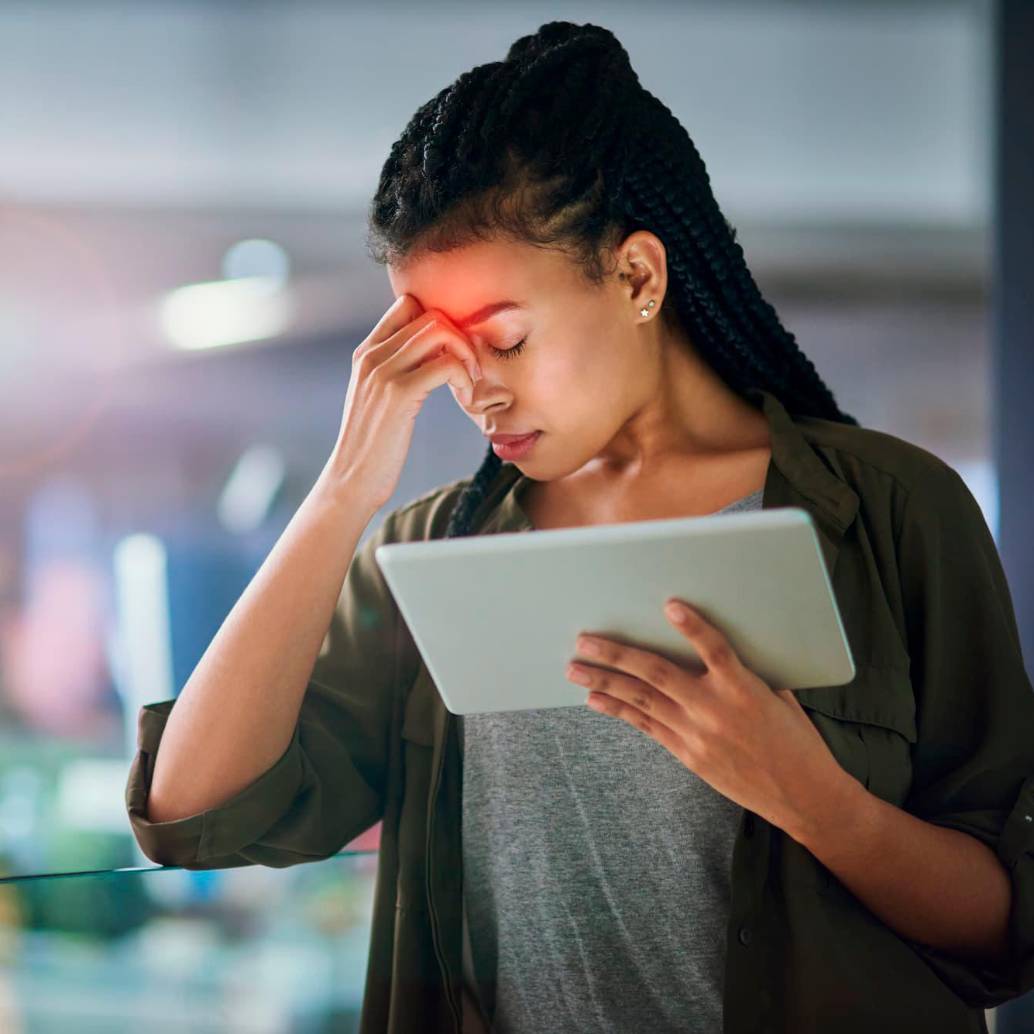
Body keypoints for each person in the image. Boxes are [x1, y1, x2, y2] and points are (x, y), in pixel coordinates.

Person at [125, 20, 1034, 1034]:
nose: (475, 392)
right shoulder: (431, 552)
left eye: (504, 341)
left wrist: (811, 796)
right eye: (438, 352)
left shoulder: (888, 511)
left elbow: (1002, 928)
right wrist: (345, 487)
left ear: (638, 277)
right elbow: (194, 812)